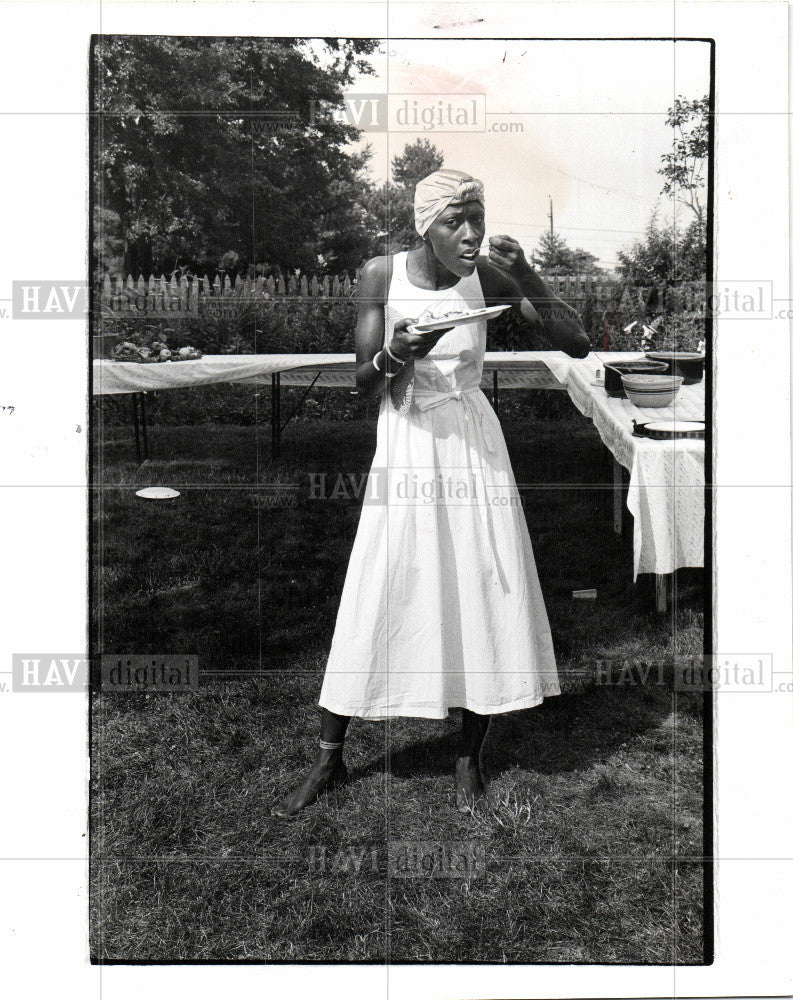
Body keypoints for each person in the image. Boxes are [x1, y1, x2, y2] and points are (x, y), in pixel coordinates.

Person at [273, 168, 590, 817]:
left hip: (473, 443)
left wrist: (528, 275)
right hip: (408, 440)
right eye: (456, 221)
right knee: (378, 584)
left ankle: (466, 761)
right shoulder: (379, 277)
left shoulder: (489, 277)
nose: (471, 234)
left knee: (479, 583)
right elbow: (363, 386)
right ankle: (329, 758)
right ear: (426, 225)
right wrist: (396, 352)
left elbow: (577, 344)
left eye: (477, 217)